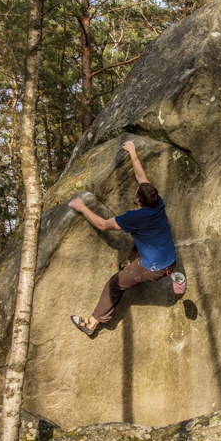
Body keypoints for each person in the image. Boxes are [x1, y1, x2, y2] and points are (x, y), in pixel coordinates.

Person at [69, 139, 176, 335]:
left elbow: (102, 225)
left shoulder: (134, 217)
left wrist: (82, 207)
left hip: (154, 268)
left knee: (113, 284)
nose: (137, 188)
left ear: (137, 199)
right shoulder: (157, 202)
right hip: (170, 260)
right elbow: (141, 176)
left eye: (137, 192)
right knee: (136, 248)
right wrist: (132, 151)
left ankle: (92, 323)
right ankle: (164, 273)